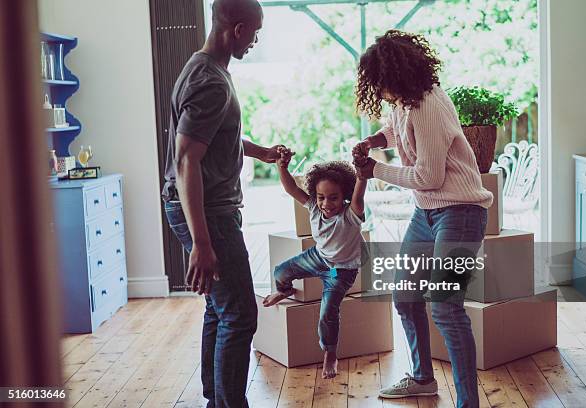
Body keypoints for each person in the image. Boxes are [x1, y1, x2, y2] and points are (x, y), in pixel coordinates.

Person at [352, 30, 493, 408]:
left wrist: (374, 171)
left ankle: (468, 404)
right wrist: (373, 143)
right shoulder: (404, 101)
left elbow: (428, 177)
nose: (378, 89)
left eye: (380, 81)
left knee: (446, 307)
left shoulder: (428, 104)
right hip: (426, 212)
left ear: (395, 76)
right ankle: (422, 380)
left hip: (461, 212)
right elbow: (396, 130)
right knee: (406, 296)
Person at [161, 1, 282, 406]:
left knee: (219, 309)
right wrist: (202, 242)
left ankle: (217, 400)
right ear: (238, 28)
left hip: (208, 208)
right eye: (256, 33)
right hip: (209, 213)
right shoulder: (211, 81)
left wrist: (261, 152)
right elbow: (186, 159)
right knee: (241, 315)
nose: (256, 41)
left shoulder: (204, 69)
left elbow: (212, 138)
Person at [263, 148, 367, 379]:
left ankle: (330, 353)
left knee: (327, 313)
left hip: (341, 270)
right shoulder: (312, 207)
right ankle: (285, 290)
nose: (326, 203)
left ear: (344, 196)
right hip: (317, 257)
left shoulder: (350, 215)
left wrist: (361, 175)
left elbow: (359, 199)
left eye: (333, 197)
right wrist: (282, 167)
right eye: (321, 197)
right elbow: (291, 188)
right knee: (280, 272)